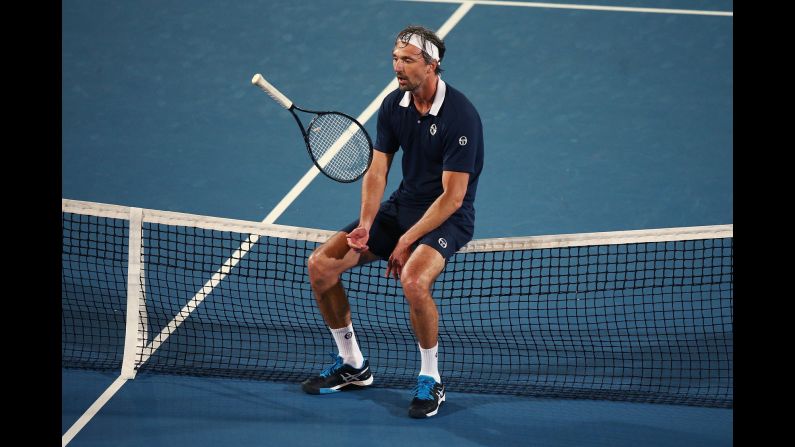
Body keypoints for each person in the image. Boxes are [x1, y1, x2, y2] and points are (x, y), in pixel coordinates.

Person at [301, 25, 484, 419]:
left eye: (408, 60)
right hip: (401, 208)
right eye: (395, 59)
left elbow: (452, 198)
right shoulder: (393, 105)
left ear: (433, 65)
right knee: (321, 265)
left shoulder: (461, 117)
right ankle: (352, 365)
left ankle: (431, 380)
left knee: (414, 280)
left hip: (447, 218)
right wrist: (367, 222)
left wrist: (406, 241)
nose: (398, 67)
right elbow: (377, 169)